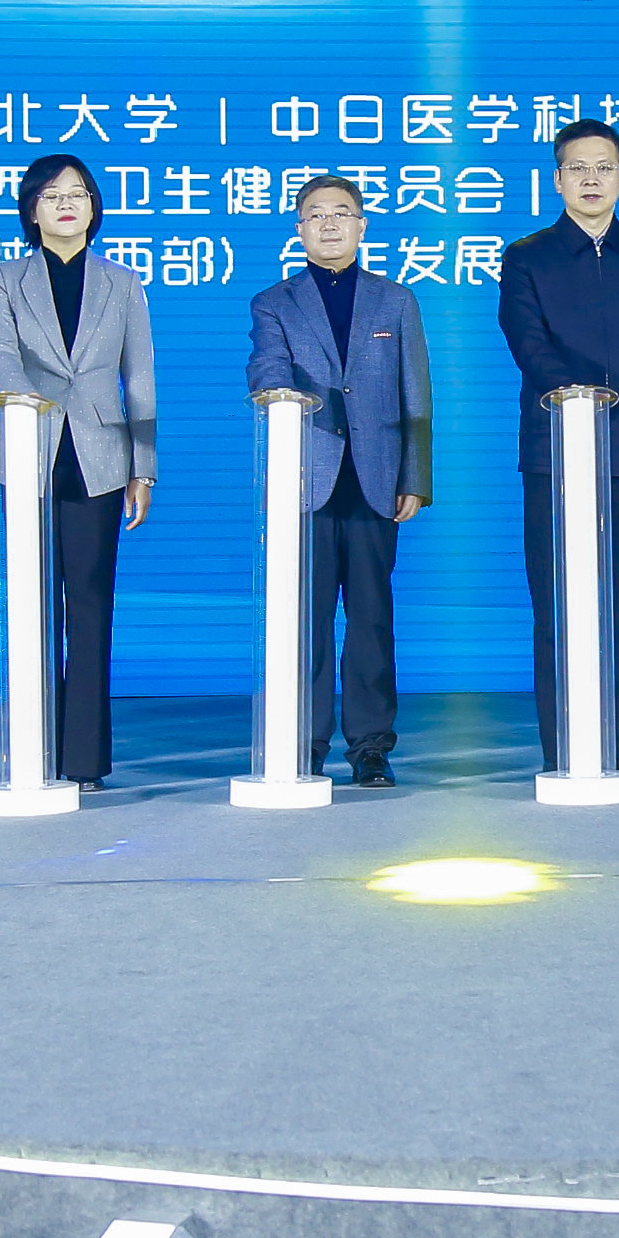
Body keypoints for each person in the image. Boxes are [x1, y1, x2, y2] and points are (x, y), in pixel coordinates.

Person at [496, 118, 619, 780]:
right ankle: (567, 745)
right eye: (578, 168)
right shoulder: (526, 256)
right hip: (555, 456)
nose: (591, 179)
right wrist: (575, 397)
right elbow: (527, 342)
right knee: (557, 604)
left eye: (604, 167)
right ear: (557, 180)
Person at [246, 175, 431, 787]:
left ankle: (371, 745)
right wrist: (287, 394)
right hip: (306, 479)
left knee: (373, 617)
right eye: (316, 215)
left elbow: (416, 395)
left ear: (361, 226)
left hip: (377, 480)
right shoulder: (274, 302)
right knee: (308, 618)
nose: (329, 224)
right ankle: (305, 741)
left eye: (342, 213)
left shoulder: (395, 300)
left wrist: (415, 476)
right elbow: (266, 370)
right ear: (299, 229)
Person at [0, 152, 156, 789]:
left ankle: (82, 759)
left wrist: (144, 467)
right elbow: (0, 354)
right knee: (32, 604)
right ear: (32, 209)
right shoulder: (5, 279)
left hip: (101, 457)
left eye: (77, 193)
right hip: (27, 448)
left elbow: (140, 378)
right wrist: (28, 402)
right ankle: (33, 748)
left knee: (90, 603)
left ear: (93, 208)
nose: (65, 204)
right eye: (52, 195)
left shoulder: (123, 283)